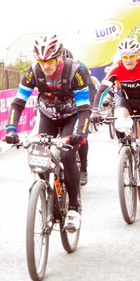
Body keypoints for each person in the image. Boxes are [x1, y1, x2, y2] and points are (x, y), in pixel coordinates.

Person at [4, 34, 91, 232]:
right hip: (47, 116)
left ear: (60, 57)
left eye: (50, 61)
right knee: (39, 155)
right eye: (41, 62)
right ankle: (46, 193)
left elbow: (84, 108)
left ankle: (73, 209)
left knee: (67, 155)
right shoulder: (33, 71)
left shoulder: (74, 70)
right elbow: (18, 103)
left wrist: (81, 133)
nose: (45, 66)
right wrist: (11, 129)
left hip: (71, 116)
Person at [92, 38, 140, 201]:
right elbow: (102, 91)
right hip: (125, 101)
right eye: (124, 57)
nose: (128, 60)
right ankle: (124, 147)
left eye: (131, 56)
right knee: (120, 118)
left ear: (137, 55)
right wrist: (95, 110)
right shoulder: (117, 67)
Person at [62, 48, 96, 186]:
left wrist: (90, 105)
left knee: (81, 134)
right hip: (61, 104)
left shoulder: (79, 66)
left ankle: (83, 168)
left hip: (78, 101)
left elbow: (90, 87)